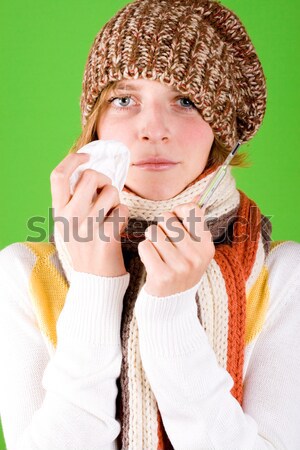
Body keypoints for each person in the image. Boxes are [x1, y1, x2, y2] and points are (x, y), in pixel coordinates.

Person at [0, 0, 299, 448]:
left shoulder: (281, 275)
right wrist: (95, 287)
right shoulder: (25, 274)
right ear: (96, 124)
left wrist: (171, 314)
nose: (152, 129)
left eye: (186, 100)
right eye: (124, 99)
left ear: (222, 130)